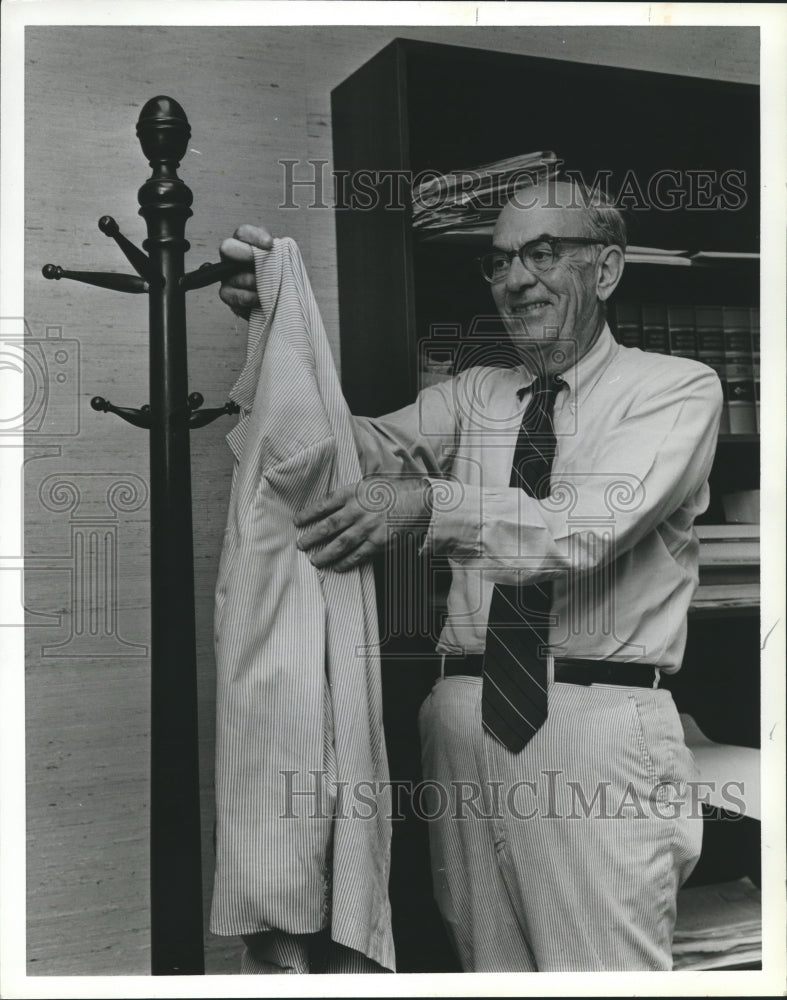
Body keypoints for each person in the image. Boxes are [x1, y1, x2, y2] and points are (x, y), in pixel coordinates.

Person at [216, 179, 723, 972]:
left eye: (542, 253)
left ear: (609, 267)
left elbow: (578, 528)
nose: (515, 278)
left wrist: (426, 505)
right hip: (458, 723)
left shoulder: (675, 389)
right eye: (497, 262)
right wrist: (275, 333)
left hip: (592, 731)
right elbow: (335, 458)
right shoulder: (472, 394)